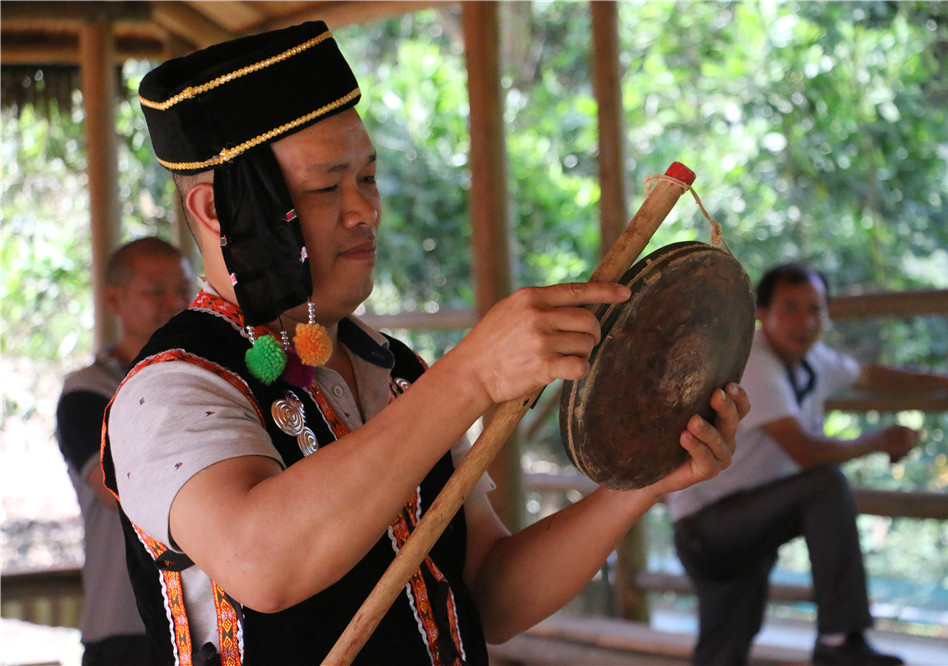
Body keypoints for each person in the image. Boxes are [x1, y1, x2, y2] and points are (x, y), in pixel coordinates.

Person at [99, 21, 749, 666]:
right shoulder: (172, 386)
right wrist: (471, 375)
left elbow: (490, 595)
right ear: (216, 210)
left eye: (369, 178)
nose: (365, 210)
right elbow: (261, 563)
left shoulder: (394, 370)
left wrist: (641, 485)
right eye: (326, 186)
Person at [668, 262, 948, 666]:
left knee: (724, 649)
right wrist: (879, 441)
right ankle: (838, 640)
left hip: (749, 520)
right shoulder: (753, 362)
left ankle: (835, 642)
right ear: (762, 314)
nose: (804, 321)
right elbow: (805, 452)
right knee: (825, 485)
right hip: (709, 528)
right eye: (791, 308)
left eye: (815, 309)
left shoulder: (814, 361)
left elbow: (872, 376)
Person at [56, 237, 194, 665]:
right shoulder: (89, 392)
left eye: (184, 290)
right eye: (156, 291)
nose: (174, 303)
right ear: (115, 300)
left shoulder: (206, 378)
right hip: (126, 625)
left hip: (204, 620)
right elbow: (116, 489)